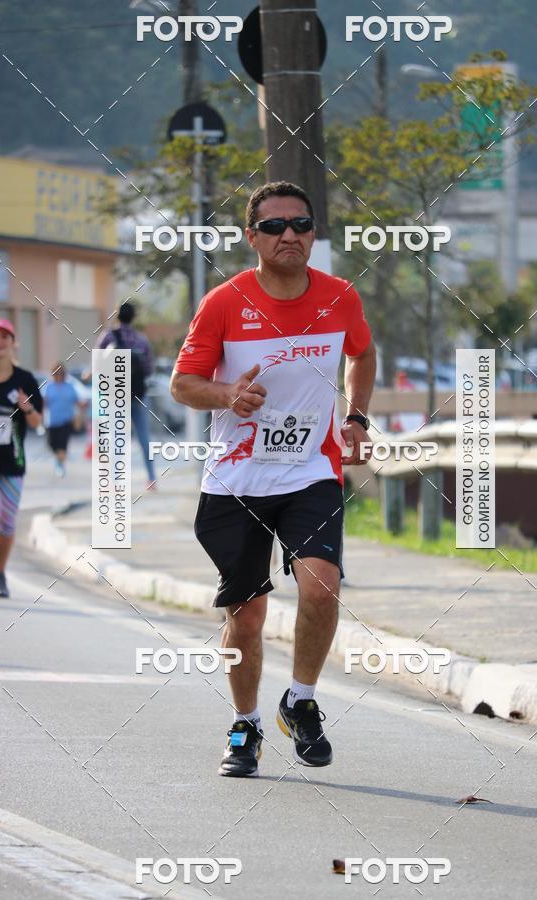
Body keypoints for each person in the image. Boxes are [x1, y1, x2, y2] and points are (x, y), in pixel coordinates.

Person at [171, 181, 376, 777]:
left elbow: (361, 353)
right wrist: (227, 394)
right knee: (249, 614)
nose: (290, 234)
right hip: (236, 479)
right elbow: (183, 384)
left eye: (302, 224)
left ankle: (301, 700)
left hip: (311, 470)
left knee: (321, 588)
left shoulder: (340, 297)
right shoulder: (224, 302)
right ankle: (246, 725)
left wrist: (356, 415)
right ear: (251, 236)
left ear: (313, 233)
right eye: (275, 225)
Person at [0, 318, 43, 598]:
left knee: (8, 524)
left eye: (4, 336)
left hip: (14, 463)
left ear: (13, 343)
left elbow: (38, 423)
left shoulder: (25, 380)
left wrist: (27, 409)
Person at [96, 301, 156, 489]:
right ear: (134, 317)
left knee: (116, 438)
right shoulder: (142, 340)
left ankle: (116, 480)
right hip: (138, 394)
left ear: (116, 316)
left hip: (116, 396)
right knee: (144, 437)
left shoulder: (107, 337)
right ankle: (152, 479)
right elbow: (148, 370)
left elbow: (98, 364)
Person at [41, 362, 84, 477]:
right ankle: (58, 459)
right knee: (52, 444)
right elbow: (43, 403)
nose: (59, 375)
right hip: (52, 421)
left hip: (66, 420)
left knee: (62, 445)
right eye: (57, 373)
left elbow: (77, 401)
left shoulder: (69, 386)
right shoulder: (49, 386)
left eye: (61, 373)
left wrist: (82, 410)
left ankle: (60, 465)